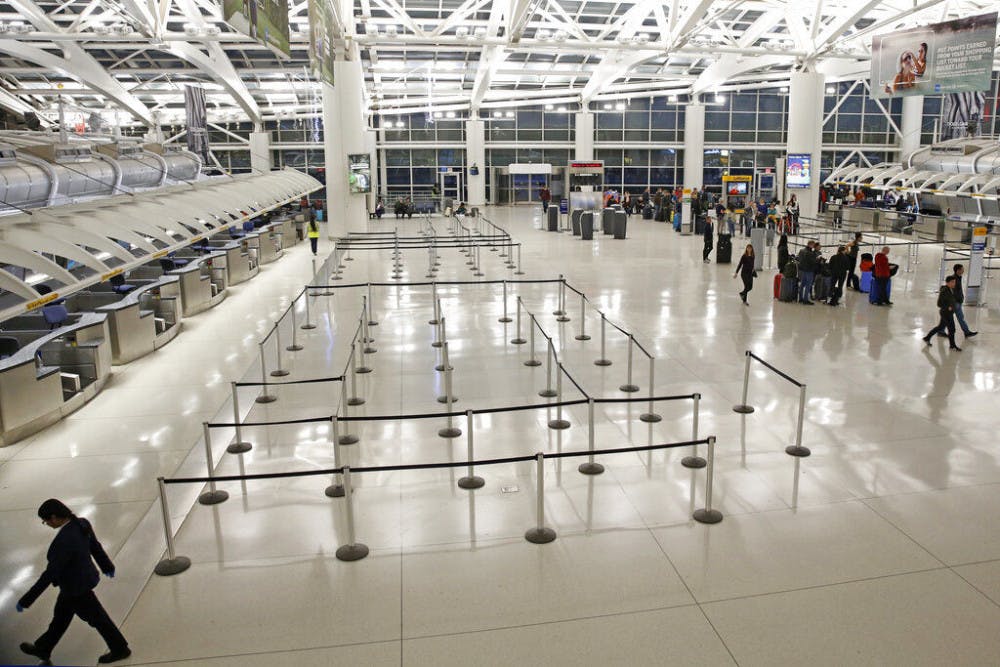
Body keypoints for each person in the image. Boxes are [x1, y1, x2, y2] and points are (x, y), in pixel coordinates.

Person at [17, 499, 131, 665]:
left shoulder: (64, 541)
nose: (47, 524)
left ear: (54, 517)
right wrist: (107, 566)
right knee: (60, 618)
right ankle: (43, 647)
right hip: (78, 582)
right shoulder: (81, 523)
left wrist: (27, 599)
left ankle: (120, 649)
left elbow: (50, 574)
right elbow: (95, 546)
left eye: (46, 521)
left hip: (76, 588)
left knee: (98, 619)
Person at [923, 275, 961, 351]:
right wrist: (948, 307)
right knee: (952, 329)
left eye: (955, 282)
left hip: (948, 312)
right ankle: (952, 346)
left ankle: (927, 338)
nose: (954, 284)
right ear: (947, 282)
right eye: (952, 282)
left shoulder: (951, 289)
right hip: (946, 313)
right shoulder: (944, 291)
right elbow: (939, 304)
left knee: (940, 327)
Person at [948, 264, 978, 339]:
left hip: (958, 302)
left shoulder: (958, 277)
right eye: (962, 269)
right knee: (950, 318)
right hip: (955, 303)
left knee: (959, 318)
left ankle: (967, 332)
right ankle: (941, 331)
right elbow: (953, 292)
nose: (963, 270)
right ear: (958, 270)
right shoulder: (954, 279)